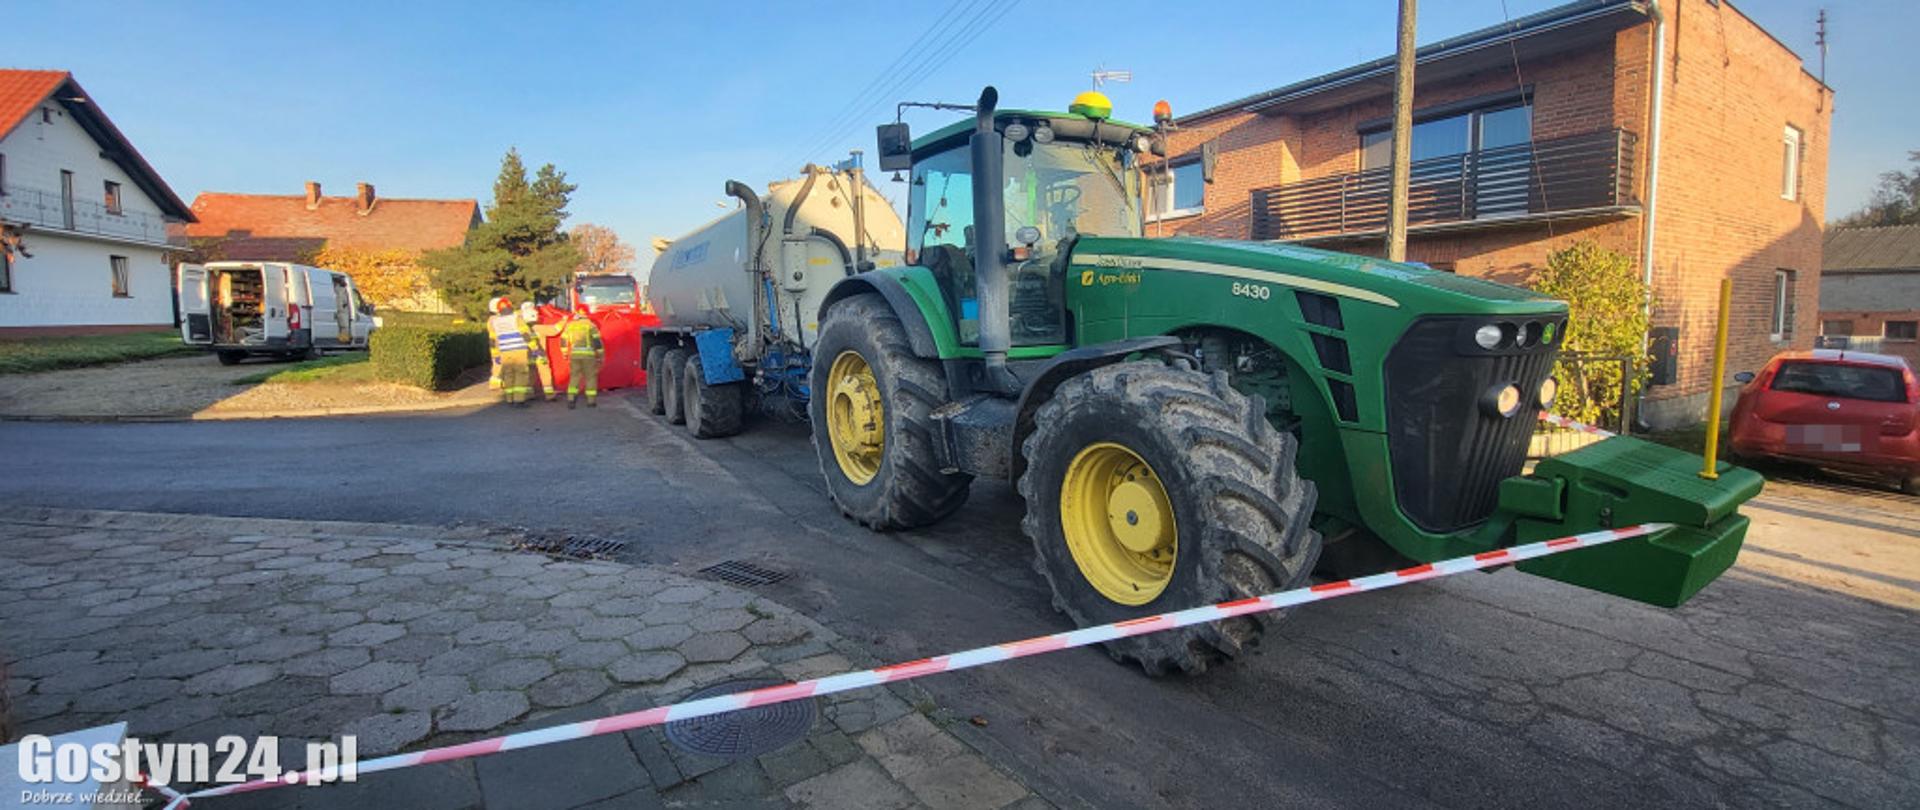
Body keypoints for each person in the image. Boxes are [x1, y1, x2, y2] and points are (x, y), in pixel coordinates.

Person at [486, 296, 537, 405]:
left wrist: (496, 355)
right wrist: (534, 348)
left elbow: (492, 340)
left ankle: (509, 398)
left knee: (508, 374)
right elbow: (526, 334)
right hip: (519, 350)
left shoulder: (495, 322)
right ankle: (519, 400)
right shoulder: (516, 318)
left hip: (504, 352)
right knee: (521, 374)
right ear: (510, 307)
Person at [560, 303, 604, 408]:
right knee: (590, 377)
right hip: (588, 356)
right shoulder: (590, 325)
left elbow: (563, 340)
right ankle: (591, 401)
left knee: (574, 377)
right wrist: (600, 356)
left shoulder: (570, 325)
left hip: (574, 355)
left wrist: (565, 353)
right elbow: (597, 342)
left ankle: (571, 400)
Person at [522, 301, 559, 401]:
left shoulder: (522, 330)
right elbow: (555, 330)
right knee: (545, 373)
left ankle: (528, 394)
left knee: (530, 374)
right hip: (540, 355)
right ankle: (549, 395)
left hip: (528, 356)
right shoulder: (539, 328)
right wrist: (564, 320)